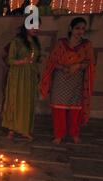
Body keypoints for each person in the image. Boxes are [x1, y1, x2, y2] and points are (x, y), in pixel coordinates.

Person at [40, 17, 95, 145]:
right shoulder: (61, 43)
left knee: (75, 109)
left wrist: (77, 66)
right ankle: (58, 135)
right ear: (71, 28)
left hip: (76, 80)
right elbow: (52, 61)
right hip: (61, 78)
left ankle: (74, 133)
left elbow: (89, 62)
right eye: (77, 28)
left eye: (82, 29)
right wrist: (64, 67)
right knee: (58, 109)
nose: (80, 31)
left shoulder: (86, 45)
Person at [1, 24, 41, 141]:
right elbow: (9, 60)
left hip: (30, 76)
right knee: (15, 100)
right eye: (33, 26)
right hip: (18, 75)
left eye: (38, 26)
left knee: (27, 102)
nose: (35, 29)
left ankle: (25, 130)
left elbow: (35, 59)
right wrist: (22, 61)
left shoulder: (35, 42)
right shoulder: (17, 41)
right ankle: (11, 129)